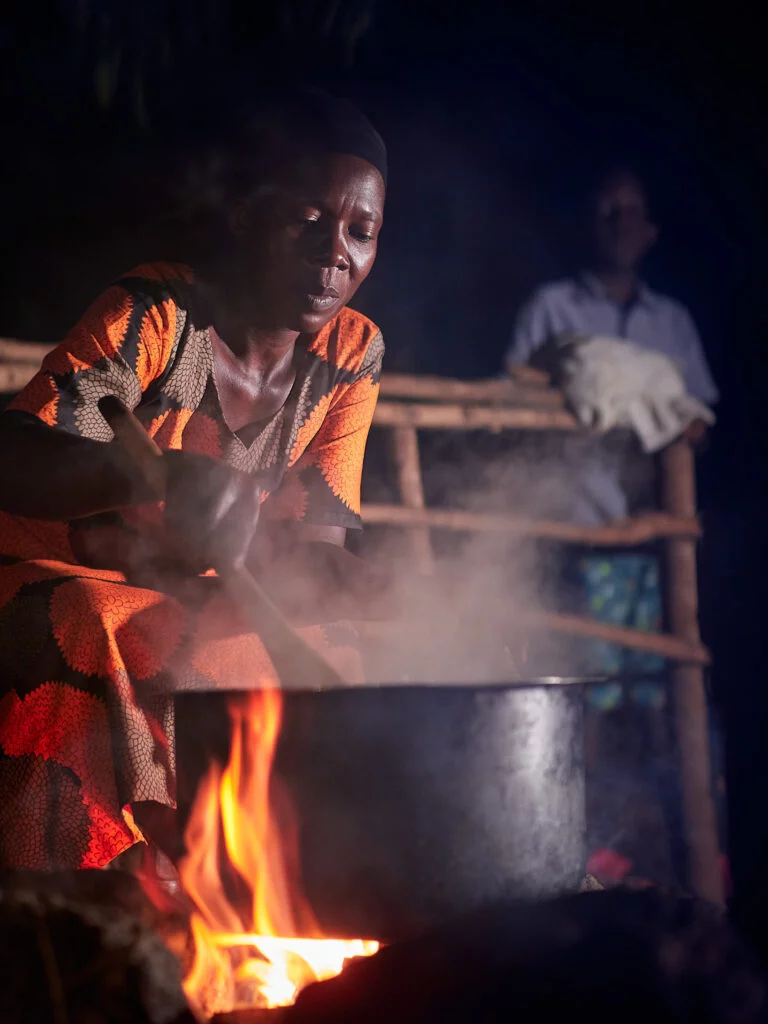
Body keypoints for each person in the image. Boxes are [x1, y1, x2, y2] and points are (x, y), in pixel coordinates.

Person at [0, 88, 391, 874]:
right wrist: (150, 475)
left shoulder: (352, 353)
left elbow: (316, 548)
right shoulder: (158, 312)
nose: (334, 252)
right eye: (308, 218)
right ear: (248, 214)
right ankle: (78, 889)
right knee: (86, 615)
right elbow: (15, 452)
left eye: (361, 231)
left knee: (349, 641)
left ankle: (254, 883)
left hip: (185, 589)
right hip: (51, 570)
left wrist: (397, 597)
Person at [505, 167, 718, 715]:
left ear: (650, 231)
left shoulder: (672, 321)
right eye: (607, 210)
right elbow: (508, 411)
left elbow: (697, 416)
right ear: (586, 224)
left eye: (631, 212)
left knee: (653, 688)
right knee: (584, 687)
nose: (619, 223)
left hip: (654, 540)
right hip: (575, 532)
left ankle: (652, 796)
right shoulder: (551, 309)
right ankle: (585, 798)